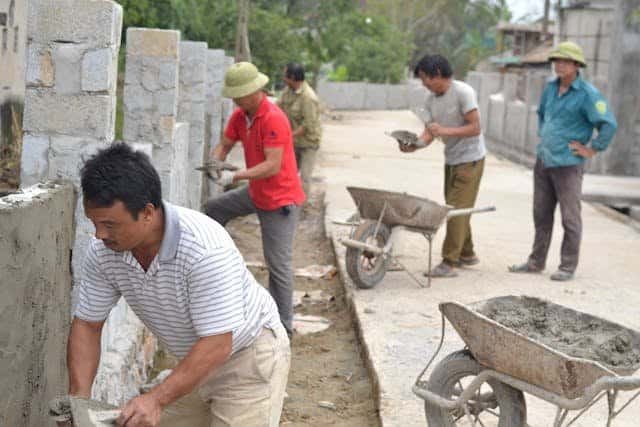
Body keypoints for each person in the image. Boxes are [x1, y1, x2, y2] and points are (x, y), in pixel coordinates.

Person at [68, 143, 289, 427]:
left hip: (248, 358)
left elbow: (219, 343)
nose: (99, 235)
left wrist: (156, 399)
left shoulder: (204, 249)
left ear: (147, 213)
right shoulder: (104, 252)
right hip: (195, 358)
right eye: (94, 223)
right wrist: (79, 402)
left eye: (110, 224)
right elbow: (87, 324)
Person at [205, 62, 305, 337]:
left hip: (280, 200)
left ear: (253, 91)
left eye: (239, 94)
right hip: (257, 193)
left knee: (278, 264)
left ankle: (284, 325)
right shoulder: (241, 116)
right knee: (213, 210)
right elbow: (225, 144)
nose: (235, 100)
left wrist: (234, 177)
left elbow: (273, 165)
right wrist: (216, 161)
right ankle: (215, 263)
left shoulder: (274, 118)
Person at [509, 41, 617, 281]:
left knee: (570, 217)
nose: (559, 65)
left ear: (577, 65)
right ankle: (536, 261)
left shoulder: (588, 94)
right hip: (544, 160)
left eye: (565, 61)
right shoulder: (550, 88)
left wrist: (592, 149)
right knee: (541, 213)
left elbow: (608, 124)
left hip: (568, 165)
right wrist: (545, 135)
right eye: (557, 60)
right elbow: (541, 114)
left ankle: (567, 266)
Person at [399, 54, 487, 278]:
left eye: (425, 78)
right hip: (451, 159)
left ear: (437, 74)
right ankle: (467, 253)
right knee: (456, 206)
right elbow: (430, 132)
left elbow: (475, 127)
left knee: (455, 210)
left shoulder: (463, 93)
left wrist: (445, 131)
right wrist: (414, 145)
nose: (423, 84)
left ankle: (450, 261)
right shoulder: (430, 100)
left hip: (471, 159)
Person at [277, 63, 322, 200]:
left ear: (292, 78)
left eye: (286, 76)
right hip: (294, 141)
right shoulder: (288, 91)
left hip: (308, 143)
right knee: (287, 175)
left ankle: (301, 208)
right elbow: (278, 107)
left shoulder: (308, 97)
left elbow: (308, 125)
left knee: (304, 178)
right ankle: (286, 203)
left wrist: (288, 135)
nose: (283, 78)